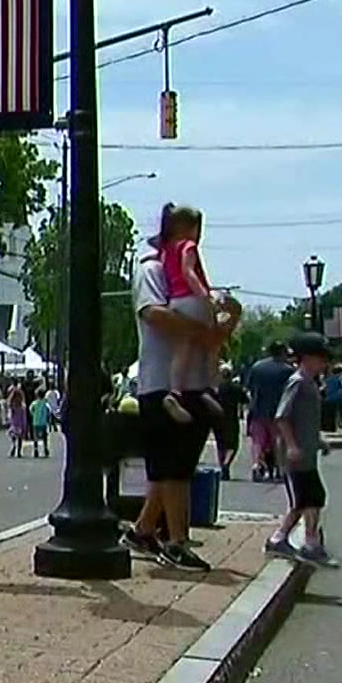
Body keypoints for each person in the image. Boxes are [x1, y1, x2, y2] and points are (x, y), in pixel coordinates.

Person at [124, 234, 241, 571]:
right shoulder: (153, 270)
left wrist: (229, 316)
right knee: (172, 468)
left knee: (178, 467)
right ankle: (176, 541)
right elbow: (153, 314)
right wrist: (198, 329)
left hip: (196, 385)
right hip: (162, 384)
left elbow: (214, 336)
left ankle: (143, 530)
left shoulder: (192, 282)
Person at [266, 332, 339, 567]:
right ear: (306, 358)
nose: (325, 363)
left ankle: (293, 540)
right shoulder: (297, 382)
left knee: (308, 499)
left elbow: (306, 420)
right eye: (321, 358)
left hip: (307, 451)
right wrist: (292, 445)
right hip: (296, 454)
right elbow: (282, 417)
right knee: (308, 498)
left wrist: (318, 440)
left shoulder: (310, 383)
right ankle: (303, 543)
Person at [150, 204, 225, 425]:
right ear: (190, 228)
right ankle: (209, 387)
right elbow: (188, 272)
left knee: (182, 348)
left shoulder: (166, 250)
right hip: (193, 299)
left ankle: (175, 392)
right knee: (213, 340)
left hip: (175, 301)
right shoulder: (188, 246)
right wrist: (206, 296)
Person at [245, 341, 294, 482]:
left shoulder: (257, 367)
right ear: (283, 352)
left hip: (258, 409)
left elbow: (250, 388)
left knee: (257, 441)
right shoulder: (287, 370)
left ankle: (256, 465)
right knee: (278, 439)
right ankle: (280, 468)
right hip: (278, 410)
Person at [212, 364, 247, 479]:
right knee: (233, 445)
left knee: (220, 444)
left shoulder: (216, 389)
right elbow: (245, 400)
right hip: (231, 417)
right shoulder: (236, 388)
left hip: (217, 417)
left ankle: (222, 464)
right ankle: (226, 463)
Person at [28, 389, 51, 458]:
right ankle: (46, 448)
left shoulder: (34, 403)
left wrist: (34, 415)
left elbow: (31, 410)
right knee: (45, 437)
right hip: (43, 422)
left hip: (36, 422)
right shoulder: (46, 403)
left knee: (36, 437)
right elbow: (49, 411)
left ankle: (36, 449)